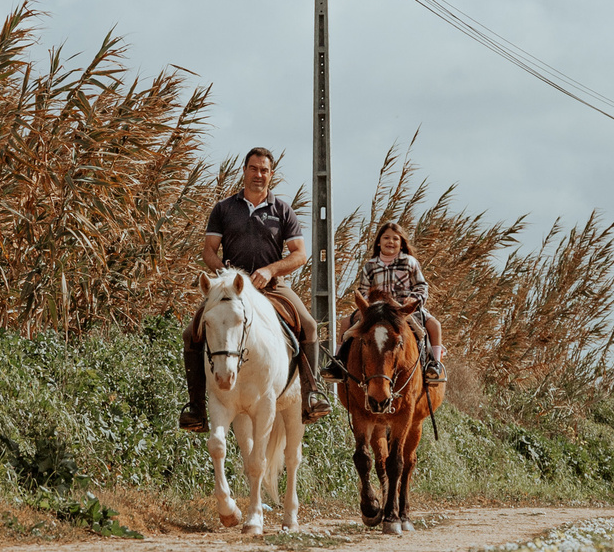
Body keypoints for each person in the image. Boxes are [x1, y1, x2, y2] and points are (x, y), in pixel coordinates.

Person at [182, 147, 328, 431]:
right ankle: (196, 407)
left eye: (264, 170)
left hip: (272, 287)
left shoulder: (283, 210)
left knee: (309, 325)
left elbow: (300, 254)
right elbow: (208, 251)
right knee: (191, 331)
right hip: (232, 290)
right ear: (245, 170)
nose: (258, 174)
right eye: (253, 168)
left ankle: (311, 394)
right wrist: (224, 274)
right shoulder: (224, 208)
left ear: (271, 174)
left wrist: (271, 270)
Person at [326, 220, 445, 385]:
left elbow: (421, 286)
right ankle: (337, 363)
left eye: (395, 239)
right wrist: (364, 304)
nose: (391, 242)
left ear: (402, 243)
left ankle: (434, 365)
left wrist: (415, 298)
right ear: (379, 242)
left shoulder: (410, 262)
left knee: (434, 326)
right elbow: (363, 289)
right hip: (376, 310)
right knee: (346, 322)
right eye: (386, 238)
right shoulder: (370, 266)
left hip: (401, 309)